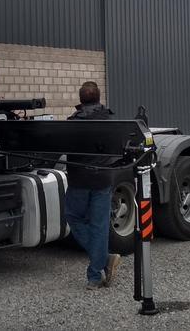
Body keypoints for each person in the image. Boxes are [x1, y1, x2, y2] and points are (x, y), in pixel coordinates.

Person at [65, 81, 122, 290]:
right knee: (99, 225)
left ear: (81, 99)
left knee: (73, 217)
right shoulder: (110, 120)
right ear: (98, 98)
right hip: (103, 179)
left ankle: (99, 269)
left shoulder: (72, 122)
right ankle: (98, 270)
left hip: (79, 180)